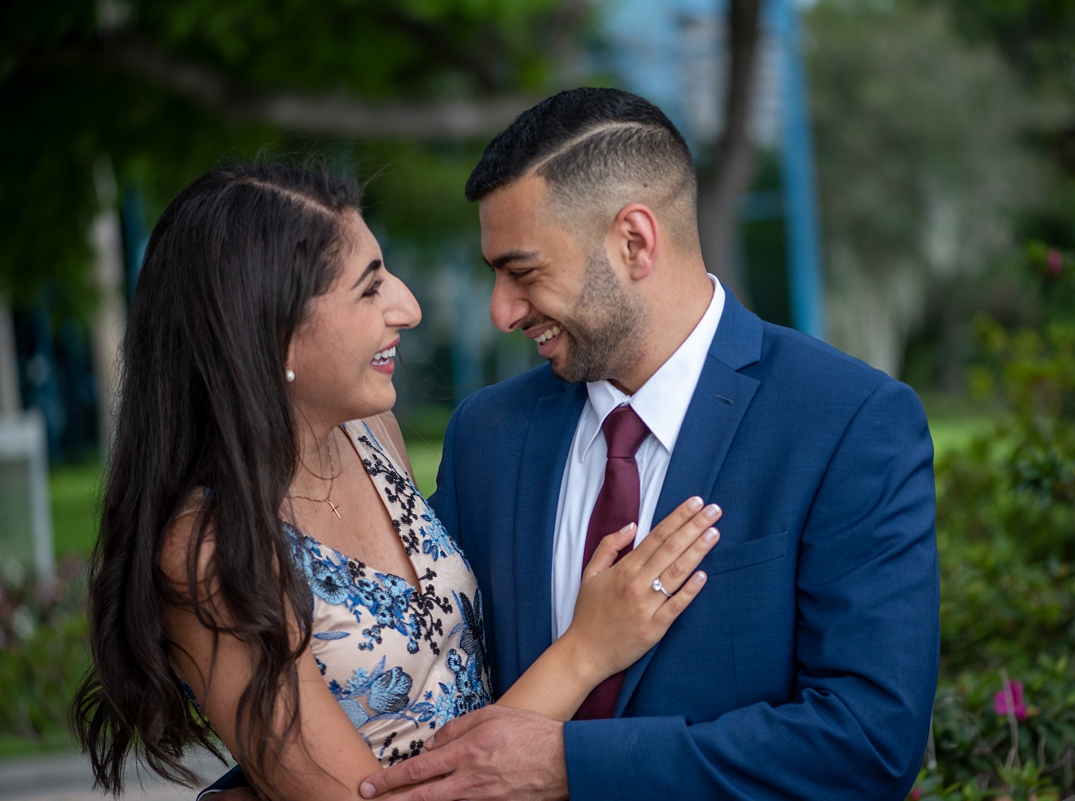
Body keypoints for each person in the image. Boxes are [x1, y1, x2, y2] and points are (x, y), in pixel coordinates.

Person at [356, 87, 940, 800]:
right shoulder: (487, 434)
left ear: (635, 241)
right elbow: (411, 661)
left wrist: (574, 764)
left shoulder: (849, 422)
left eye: (524, 272)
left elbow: (870, 739)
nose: (502, 311)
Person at [70, 162, 723, 801]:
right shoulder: (206, 552)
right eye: (369, 288)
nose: (406, 307)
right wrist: (586, 651)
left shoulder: (370, 433)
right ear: (270, 334)